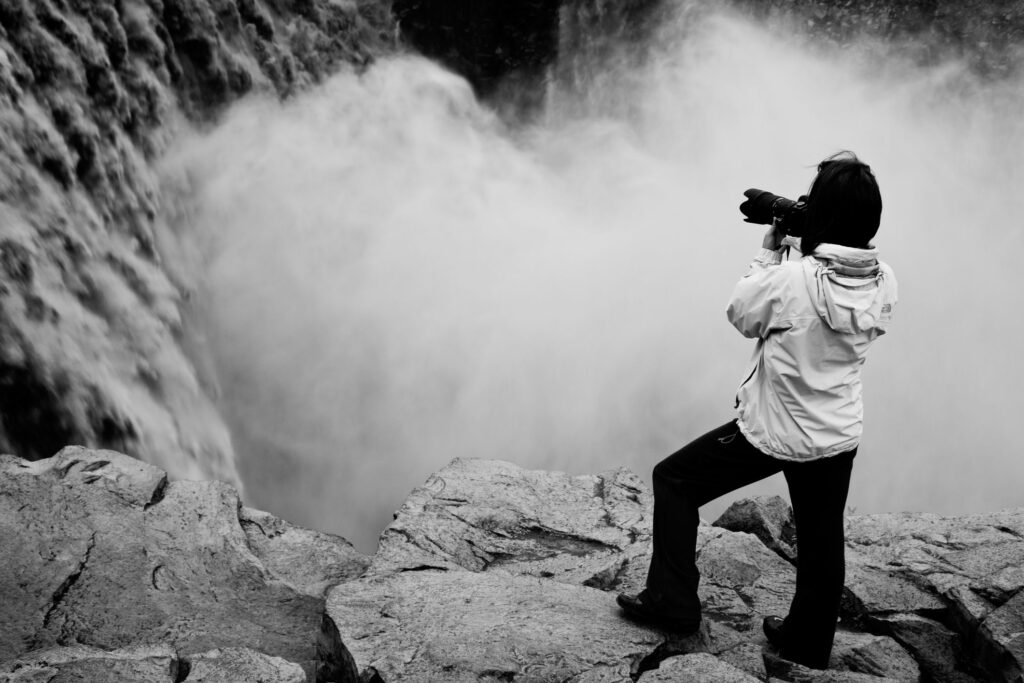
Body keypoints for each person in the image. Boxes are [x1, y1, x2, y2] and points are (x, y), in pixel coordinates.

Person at [616, 151, 898, 669]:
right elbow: (830, 283)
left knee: (675, 481)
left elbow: (742, 312)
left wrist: (772, 251)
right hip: (835, 433)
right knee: (820, 543)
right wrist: (807, 240)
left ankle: (672, 602)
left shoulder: (790, 281)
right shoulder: (884, 280)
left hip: (774, 429)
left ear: (823, 217)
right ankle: (806, 643)